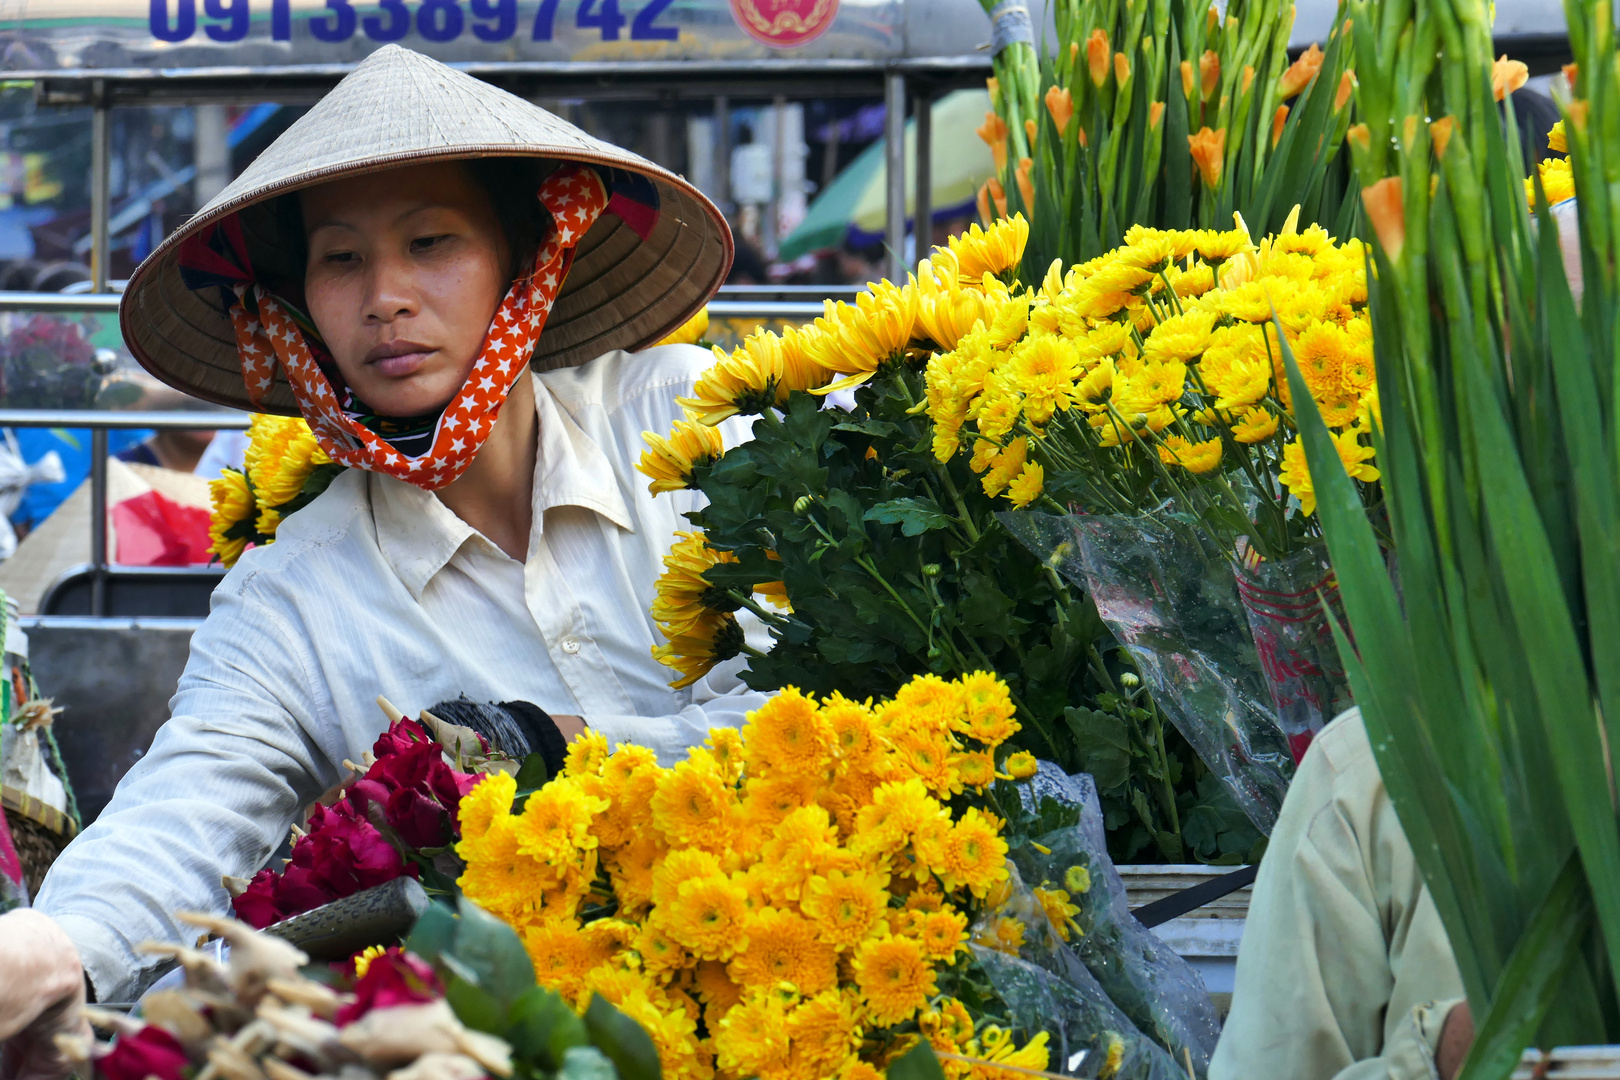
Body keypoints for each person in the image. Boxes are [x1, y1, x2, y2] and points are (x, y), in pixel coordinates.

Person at [0, 42, 749, 1043]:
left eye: (432, 243)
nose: (385, 296)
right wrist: (54, 949)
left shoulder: (689, 431)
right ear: (297, 302)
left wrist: (541, 754)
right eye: (341, 259)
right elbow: (183, 814)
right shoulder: (294, 593)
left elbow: (823, 707)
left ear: (527, 262)